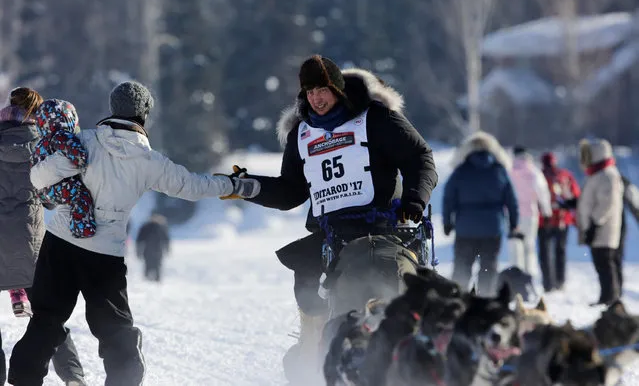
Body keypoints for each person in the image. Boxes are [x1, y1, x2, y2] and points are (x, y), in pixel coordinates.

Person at [8, 81, 260, 386]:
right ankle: (123, 378)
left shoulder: (83, 141)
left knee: (46, 319)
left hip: (60, 244)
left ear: (113, 108)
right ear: (144, 115)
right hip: (105, 255)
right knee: (113, 328)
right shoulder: (150, 162)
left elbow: (38, 177)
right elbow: (195, 186)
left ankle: (23, 379)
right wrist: (236, 185)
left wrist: (64, 171)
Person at [227, 55, 437, 382]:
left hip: (386, 230)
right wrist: (246, 186)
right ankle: (312, 367)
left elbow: (420, 157)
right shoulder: (302, 136)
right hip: (332, 239)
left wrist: (415, 197)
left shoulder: (375, 119)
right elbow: (289, 192)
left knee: (400, 292)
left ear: (337, 89)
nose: (316, 98)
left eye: (322, 90)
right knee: (311, 299)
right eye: (309, 92)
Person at [0, 87, 86, 386]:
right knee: (48, 317)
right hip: (30, 242)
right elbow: (51, 199)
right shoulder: (41, 146)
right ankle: (74, 377)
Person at [443, 131, 519, 296]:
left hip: (465, 228)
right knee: (488, 267)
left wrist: (447, 222)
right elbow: (511, 200)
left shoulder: (461, 171)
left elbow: (448, 198)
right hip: (493, 228)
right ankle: (484, 300)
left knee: (462, 268)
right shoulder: (499, 171)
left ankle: (459, 301)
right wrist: (514, 223)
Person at [31, 99, 96, 238]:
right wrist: (81, 158)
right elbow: (76, 153)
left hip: (43, 192)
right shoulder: (61, 136)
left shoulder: (40, 142)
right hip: (57, 186)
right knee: (80, 194)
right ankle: (81, 227)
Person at [576, 138, 622, 306]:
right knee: (601, 264)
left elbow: (606, 203)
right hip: (598, 229)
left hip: (604, 229)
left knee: (605, 265)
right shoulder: (598, 174)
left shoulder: (607, 175)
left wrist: (595, 224)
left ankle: (610, 298)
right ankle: (607, 296)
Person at [538, 151, 580, 292]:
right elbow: (575, 195)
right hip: (562, 220)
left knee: (544, 252)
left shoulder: (539, 176)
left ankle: (547, 283)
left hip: (544, 220)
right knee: (560, 251)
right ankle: (560, 281)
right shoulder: (565, 175)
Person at [509, 146, 552, 276]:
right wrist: (546, 212)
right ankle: (528, 276)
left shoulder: (509, 171)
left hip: (513, 216)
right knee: (529, 247)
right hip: (530, 215)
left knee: (515, 247)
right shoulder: (533, 172)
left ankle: (516, 276)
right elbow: (543, 192)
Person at [136, 213, 171, 282]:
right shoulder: (146, 227)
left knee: (157, 265)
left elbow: (166, 239)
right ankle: (146, 281)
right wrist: (138, 251)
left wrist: (167, 248)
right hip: (148, 250)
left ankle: (157, 281)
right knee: (148, 265)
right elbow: (139, 240)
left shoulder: (161, 227)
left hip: (157, 250)